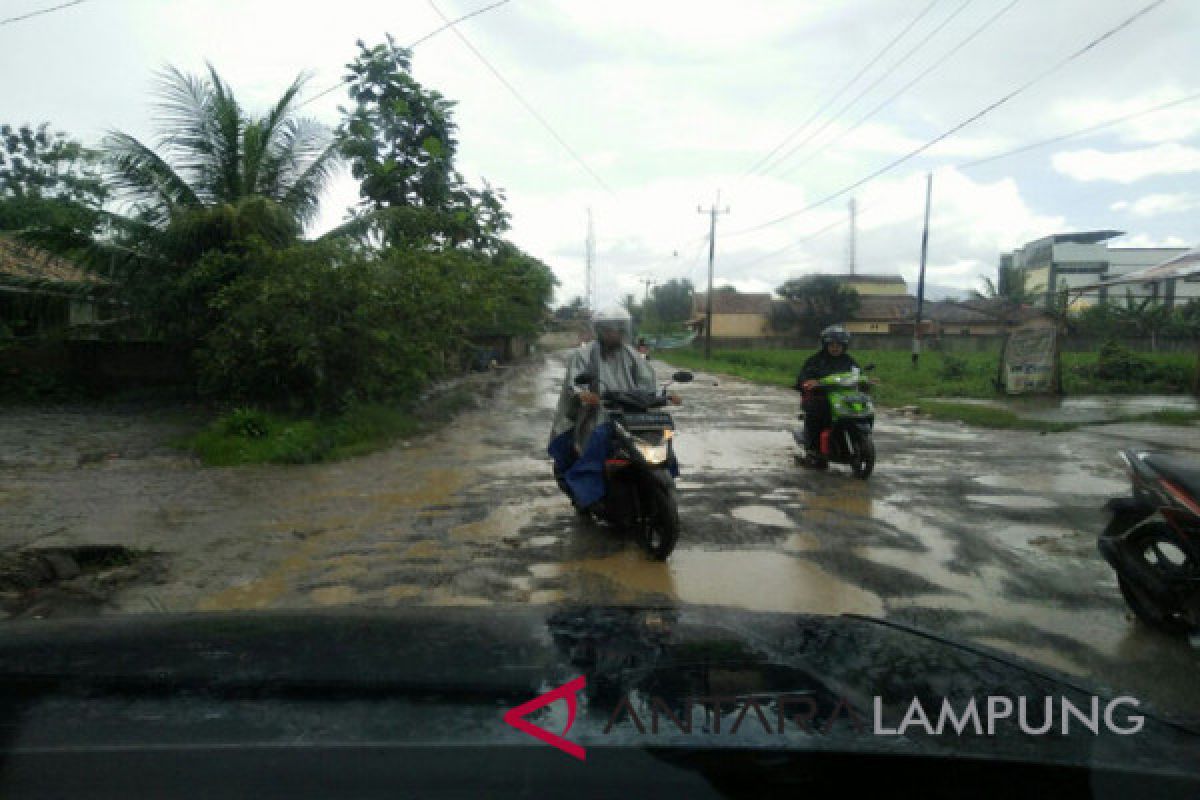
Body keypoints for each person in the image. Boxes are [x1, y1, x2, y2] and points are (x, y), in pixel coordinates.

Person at [548, 307, 680, 510]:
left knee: (661, 434)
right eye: (609, 330)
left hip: (630, 415)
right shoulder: (584, 355)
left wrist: (661, 396)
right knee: (598, 444)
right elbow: (575, 381)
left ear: (624, 331)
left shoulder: (632, 355)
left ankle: (664, 479)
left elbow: (647, 381)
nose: (613, 334)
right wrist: (583, 393)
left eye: (618, 330)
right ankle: (589, 491)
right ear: (600, 331)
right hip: (598, 414)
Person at [794, 324, 859, 468]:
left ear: (844, 346)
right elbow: (803, 378)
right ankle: (813, 450)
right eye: (832, 345)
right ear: (825, 345)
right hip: (819, 398)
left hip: (843, 399)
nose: (835, 348)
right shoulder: (815, 361)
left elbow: (857, 375)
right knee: (817, 413)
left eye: (839, 345)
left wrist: (866, 381)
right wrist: (808, 382)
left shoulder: (849, 361)